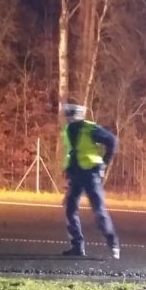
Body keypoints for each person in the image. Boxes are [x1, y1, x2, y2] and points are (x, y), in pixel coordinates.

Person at [60, 102, 119, 258]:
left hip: (91, 174)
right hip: (76, 174)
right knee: (70, 208)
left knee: (99, 211)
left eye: (71, 114)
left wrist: (104, 163)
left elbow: (112, 141)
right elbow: (72, 152)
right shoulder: (67, 130)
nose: (69, 118)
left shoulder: (89, 128)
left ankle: (113, 244)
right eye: (68, 115)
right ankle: (77, 246)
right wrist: (68, 170)